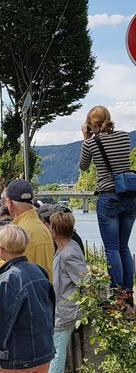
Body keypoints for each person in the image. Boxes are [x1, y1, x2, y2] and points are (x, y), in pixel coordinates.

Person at [79, 105, 134, 301]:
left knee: (111, 248)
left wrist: (87, 139)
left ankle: (117, 295)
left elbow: (83, 167)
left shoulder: (91, 143)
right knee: (124, 247)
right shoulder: (125, 136)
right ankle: (128, 293)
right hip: (129, 195)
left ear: (89, 124)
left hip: (108, 196)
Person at [0, 224, 55, 372]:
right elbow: (50, 309)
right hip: (43, 351)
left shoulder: (8, 279)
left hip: (18, 357)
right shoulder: (39, 271)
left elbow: (1, 322)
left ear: (2, 250)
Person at [48, 212, 87, 373]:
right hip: (61, 309)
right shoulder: (66, 248)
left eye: (50, 226)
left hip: (65, 311)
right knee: (56, 351)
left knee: (57, 353)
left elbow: (84, 282)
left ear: (55, 230)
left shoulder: (68, 253)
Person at [1, 179, 54, 281]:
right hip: (44, 293)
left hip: (21, 294)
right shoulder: (43, 229)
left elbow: (4, 273)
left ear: (10, 203)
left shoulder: (15, 233)